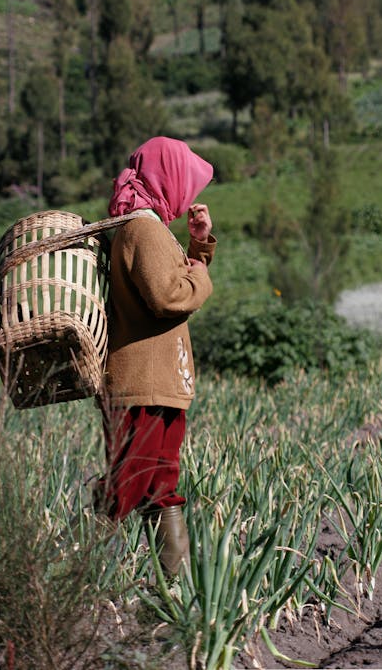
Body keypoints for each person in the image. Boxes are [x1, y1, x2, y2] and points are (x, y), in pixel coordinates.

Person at [95, 136, 216, 575]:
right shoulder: (142, 229)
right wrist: (201, 273)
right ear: (169, 177)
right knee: (128, 485)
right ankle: (85, 582)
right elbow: (168, 296)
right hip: (141, 383)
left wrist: (198, 247)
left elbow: (173, 281)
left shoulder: (149, 226)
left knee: (160, 484)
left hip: (157, 382)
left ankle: (172, 591)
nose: (191, 193)